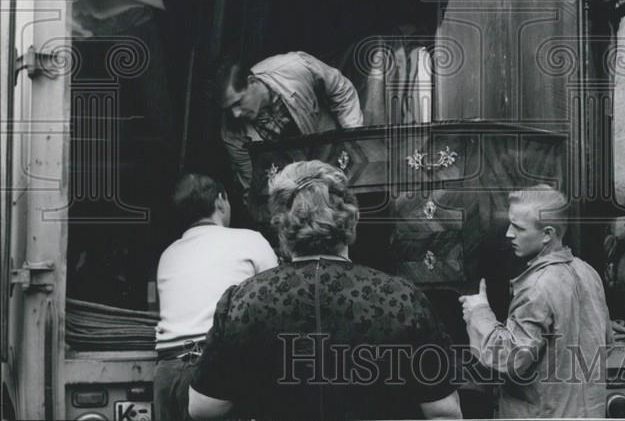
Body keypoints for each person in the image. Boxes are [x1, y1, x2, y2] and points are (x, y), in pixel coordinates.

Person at [187, 160, 462, 420]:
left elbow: (204, 409)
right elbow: (444, 413)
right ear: (351, 223)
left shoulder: (241, 301)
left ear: (281, 229)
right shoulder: (401, 298)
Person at [459, 185, 611, 419]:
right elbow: (606, 342)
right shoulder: (588, 272)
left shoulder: (537, 286)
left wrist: (479, 313)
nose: (509, 233)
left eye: (518, 228)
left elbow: (510, 359)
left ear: (547, 234)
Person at [154, 173, 278, 421]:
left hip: (167, 374)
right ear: (221, 200)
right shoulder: (249, 240)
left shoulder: (168, 254)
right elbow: (276, 301)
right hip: (214, 372)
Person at [215, 51, 364, 199]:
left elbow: (341, 90)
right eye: (228, 109)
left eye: (238, 102)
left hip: (334, 155)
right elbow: (254, 186)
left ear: (252, 81)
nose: (235, 114)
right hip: (292, 184)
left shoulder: (296, 66)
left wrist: (352, 140)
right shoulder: (231, 133)